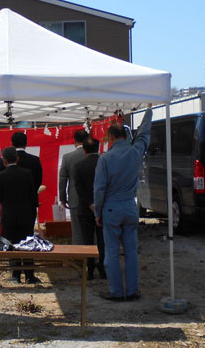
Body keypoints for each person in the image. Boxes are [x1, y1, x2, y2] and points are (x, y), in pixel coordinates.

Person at [93, 105, 153, 302]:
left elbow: (99, 189)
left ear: (110, 138)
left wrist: (97, 212)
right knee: (131, 252)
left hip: (111, 208)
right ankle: (133, 290)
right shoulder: (136, 152)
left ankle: (117, 291)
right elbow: (144, 134)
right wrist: (148, 112)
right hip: (130, 206)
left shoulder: (105, 159)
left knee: (111, 252)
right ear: (126, 137)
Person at [0, 146, 41, 284]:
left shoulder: (0, 176)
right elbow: (32, 194)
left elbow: (0, 197)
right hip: (26, 213)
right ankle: (29, 274)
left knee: (12, 244)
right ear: (18, 158)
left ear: (4, 161)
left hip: (9, 213)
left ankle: (15, 274)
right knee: (27, 243)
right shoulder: (27, 173)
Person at [74, 137, 105, 280]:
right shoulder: (104, 163)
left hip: (85, 208)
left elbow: (78, 189)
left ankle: (90, 269)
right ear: (98, 149)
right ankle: (103, 267)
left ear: (84, 150)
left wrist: (89, 204)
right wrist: (98, 203)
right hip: (103, 207)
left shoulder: (79, 165)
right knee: (102, 240)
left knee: (87, 240)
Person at [0, 132, 42, 226]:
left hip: (9, 205)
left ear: (12, 143)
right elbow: (38, 181)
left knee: (10, 237)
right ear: (26, 143)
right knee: (27, 236)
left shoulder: (3, 160)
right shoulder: (35, 160)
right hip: (28, 205)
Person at [58, 129, 88, 244]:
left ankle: (78, 257)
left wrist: (63, 197)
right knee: (93, 230)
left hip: (74, 198)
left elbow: (63, 179)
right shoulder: (97, 157)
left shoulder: (67, 157)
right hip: (93, 199)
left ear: (75, 141)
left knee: (77, 230)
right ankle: (94, 256)